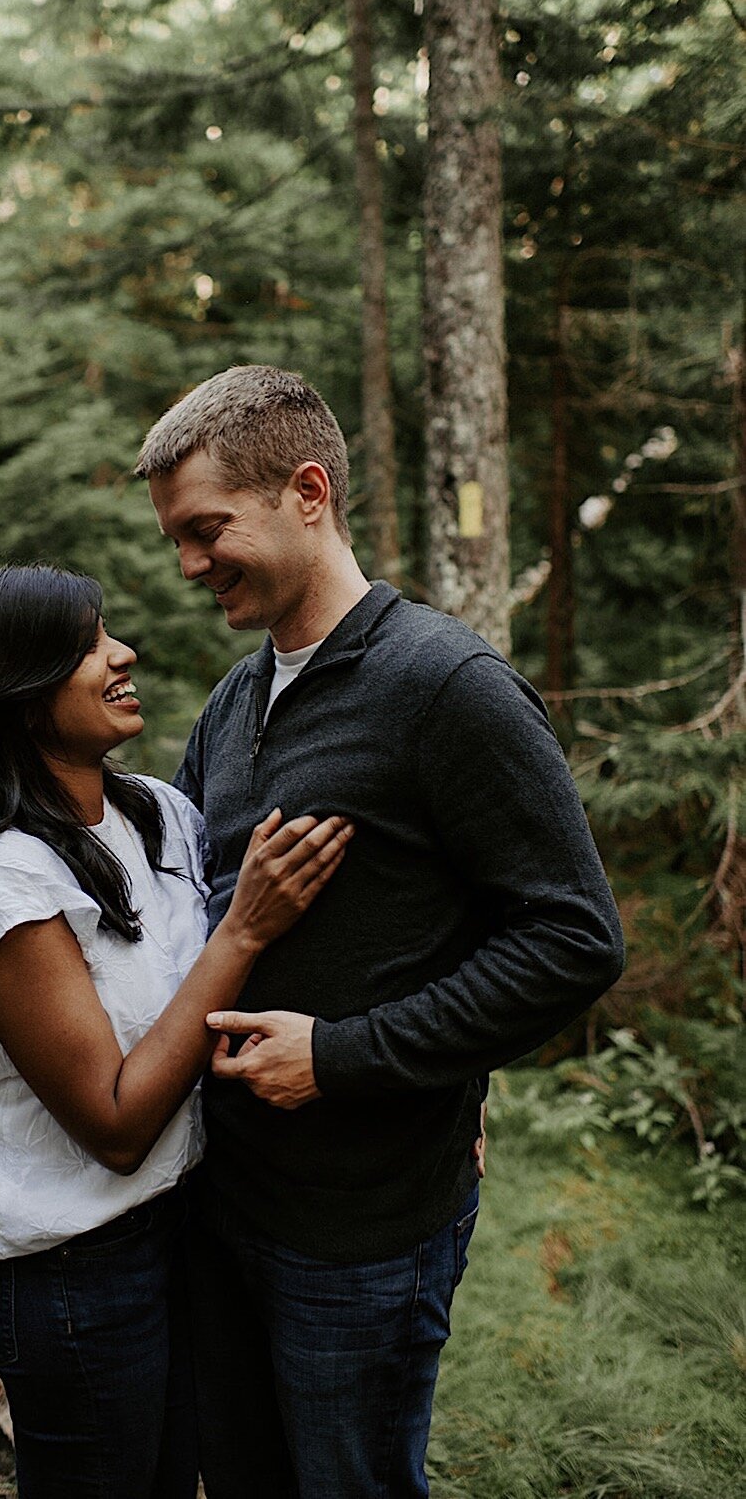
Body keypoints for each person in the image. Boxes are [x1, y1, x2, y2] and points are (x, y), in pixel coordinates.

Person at [129, 364, 626, 1499]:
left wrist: (345, 1055)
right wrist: (14, 1066)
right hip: (222, 1198)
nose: (188, 564)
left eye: (205, 529)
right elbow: (172, 915)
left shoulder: (445, 685)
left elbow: (571, 938)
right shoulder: (233, 702)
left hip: (362, 1231)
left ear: (307, 491)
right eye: (175, 538)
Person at [0, 562, 352, 1499]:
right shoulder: (0, 875)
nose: (122, 652)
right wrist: (245, 929)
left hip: (169, 1229)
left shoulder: (156, 813)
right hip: (67, 1266)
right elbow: (112, 1125)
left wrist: (446, 1086)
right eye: (84, 646)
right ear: (16, 699)